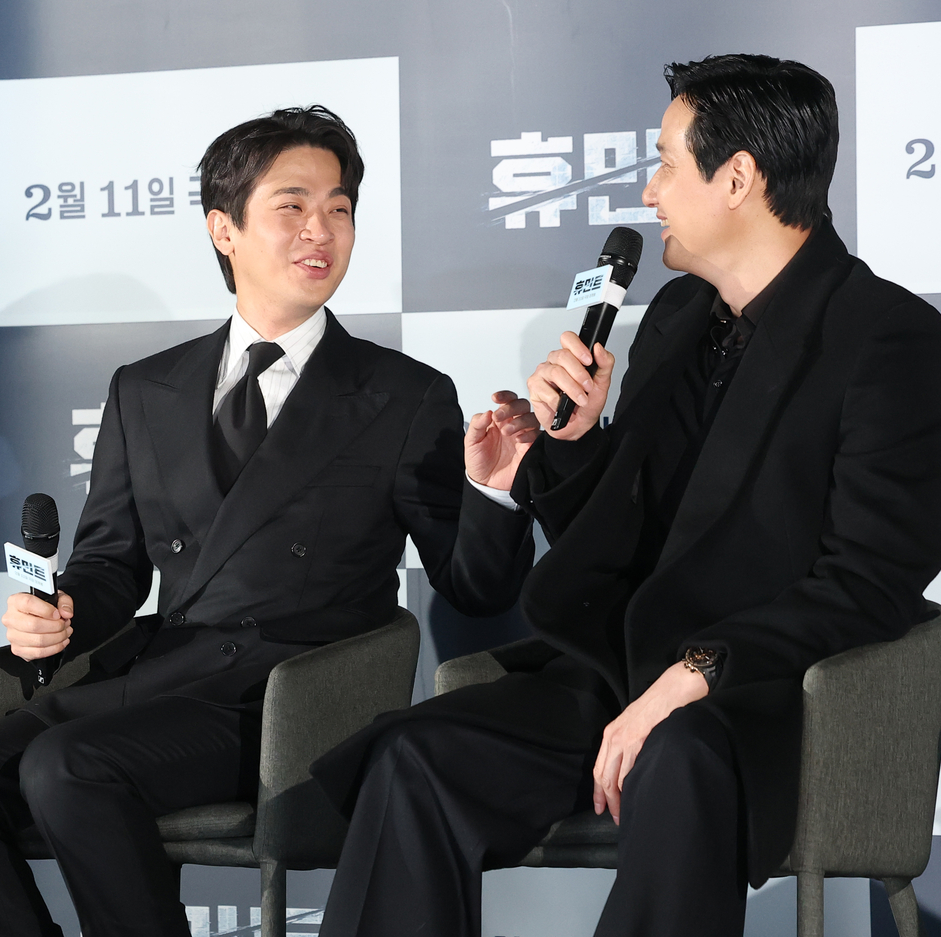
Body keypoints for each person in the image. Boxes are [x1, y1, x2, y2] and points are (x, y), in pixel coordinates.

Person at [311, 54, 941, 937]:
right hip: (617, 672)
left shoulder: (893, 340)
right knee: (420, 753)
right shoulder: (681, 317)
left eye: (665, 165)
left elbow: (870, 583)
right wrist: (571, 449)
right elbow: (629, 543)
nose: (648, 194)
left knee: (678, 759)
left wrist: (698, 673)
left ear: (737, 179)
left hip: (773, 697)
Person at [0, 105, 537, 937]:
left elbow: (475, 586)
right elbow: (113, 565)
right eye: (292, 206)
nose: (321, 230)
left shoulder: (402, 394)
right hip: (156, 675)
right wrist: (64, 614)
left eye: (339, 209)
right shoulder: (146, 387)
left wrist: (493, 493)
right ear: (223, 230)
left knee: (66, 766)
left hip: (287, 700)